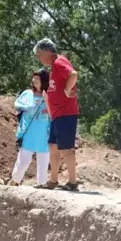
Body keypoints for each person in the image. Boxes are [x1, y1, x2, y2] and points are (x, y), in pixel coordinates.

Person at [33, 38, 80, 191]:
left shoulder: (59, 62)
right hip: (57, 114)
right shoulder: (54, 66)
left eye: (39, 55)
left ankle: (73, 182)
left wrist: (67, 90)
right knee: (53, 146)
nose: (39, 58)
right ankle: (53, 180)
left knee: (66, 148)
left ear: (47, 51)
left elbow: (73, 74)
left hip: (65, 112)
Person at [9, 69, 51, 186]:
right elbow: (18, 105)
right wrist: (28, 107)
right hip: (29, 132)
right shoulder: (27, 93)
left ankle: (41, 185)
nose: (34, 81)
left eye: (38, 79)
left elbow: (53, 113)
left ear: (44, 81)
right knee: (23, 161)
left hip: (45, 134)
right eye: (34, 78)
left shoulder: (50, 96)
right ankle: (14, 181)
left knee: (43, 162)